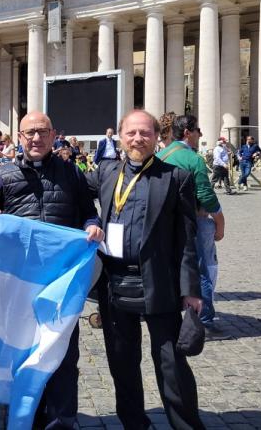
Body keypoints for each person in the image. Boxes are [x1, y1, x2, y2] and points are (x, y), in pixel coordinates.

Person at [0, 111, 104, 430]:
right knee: (23, 352)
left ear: (53, 136)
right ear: (19, 138)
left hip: (62, 281)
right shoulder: (2, 175)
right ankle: (28, 418)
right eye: (29, 133)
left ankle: (62, 419)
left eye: (42, 132)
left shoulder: (72, 172)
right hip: (20, 282)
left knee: (64, 353)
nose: (35, 138)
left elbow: (88, 214)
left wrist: (93, 227)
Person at [87, 110, 204, 430]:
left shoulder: (176, 177)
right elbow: (74, 199)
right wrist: (90, 220)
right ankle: (134, 423)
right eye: (131, 133)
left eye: (145, 133)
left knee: (171, 364)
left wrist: (191, 290)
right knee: (122, 363)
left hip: (158, 282)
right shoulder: (106, 172)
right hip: (115, 282)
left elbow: (186, 240)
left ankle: (186, 424)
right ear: (120, 137)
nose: (138, 139)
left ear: (156, 137)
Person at [158, 115, 225, 335]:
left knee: (172, 268)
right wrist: (219, 220)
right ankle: (203, 320)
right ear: (187, 132)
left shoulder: (160, 155)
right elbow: (206, 195)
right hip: (193, 220)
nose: (201, 135)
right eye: (198, 130)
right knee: (200, 270)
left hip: (165, 222)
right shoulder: (192, 159)